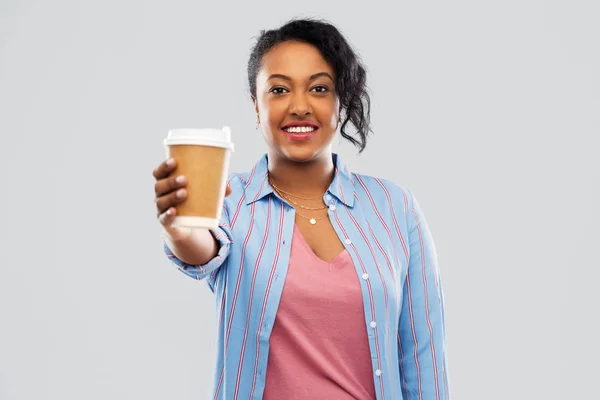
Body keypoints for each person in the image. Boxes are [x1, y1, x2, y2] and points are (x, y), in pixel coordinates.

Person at [152, 18, 449, 400]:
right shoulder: (229, 199)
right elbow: (202, 248)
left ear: (340, 103)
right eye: (278, 89)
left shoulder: (396, 207)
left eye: (319, 88)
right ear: (256, 106)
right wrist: (179, 228)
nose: (299, 106)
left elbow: (423, 355)